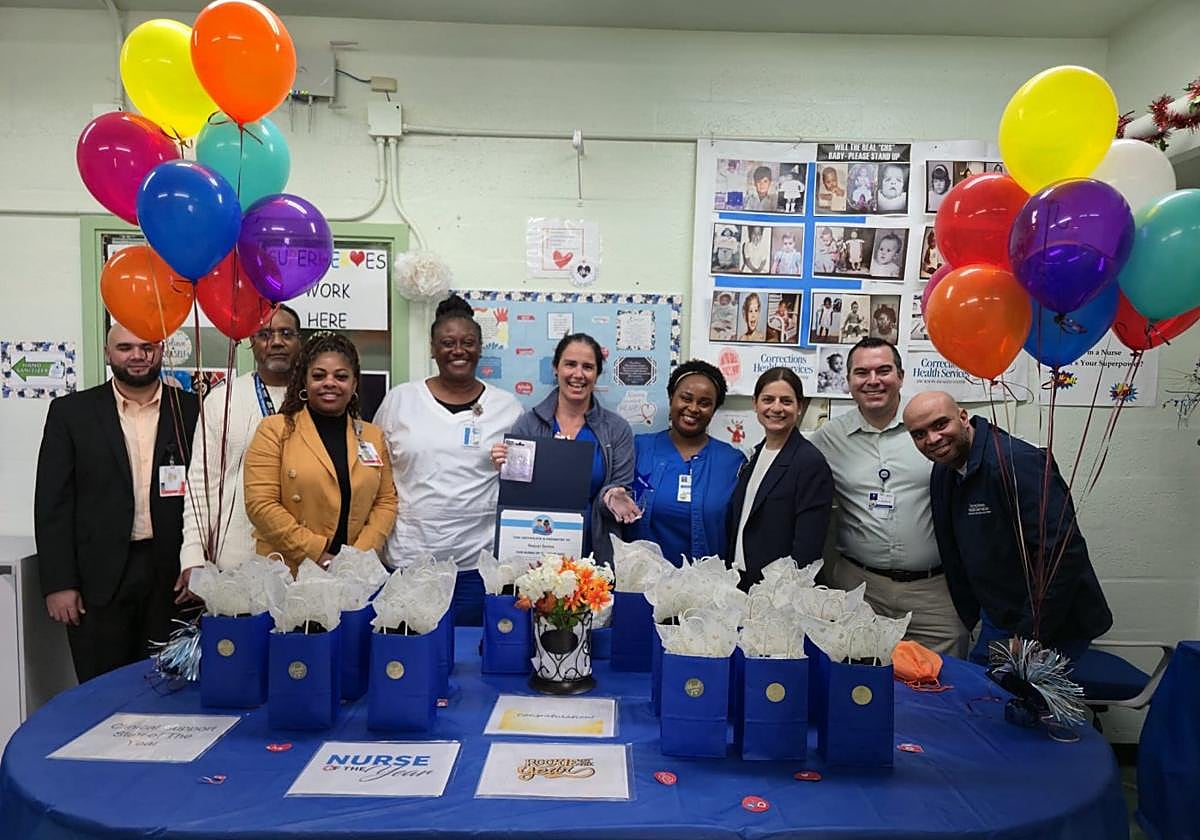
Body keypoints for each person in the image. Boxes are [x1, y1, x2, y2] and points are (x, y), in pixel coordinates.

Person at [34, 323, 200, 682]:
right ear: (108, 354)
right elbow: (53, 503)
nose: (137, 356)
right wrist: (59, 583)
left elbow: (208, 494)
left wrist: (199, 564)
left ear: (161, 351)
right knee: (101, 688)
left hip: (173, 577)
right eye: (125, 348)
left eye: (146, 346)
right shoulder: (71, 413)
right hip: (98, 579)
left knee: (171, 688)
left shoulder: (192, 410)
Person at [903, 391, 1113, 660]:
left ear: (963, 417)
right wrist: (973, 616)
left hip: (1051, 623)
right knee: (980, 692)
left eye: (940, 424)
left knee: (1020, 700)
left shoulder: (1018, 462)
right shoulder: (945, 469)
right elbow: (953, 550)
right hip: (999, 617)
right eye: (919, 434)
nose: (932, 439)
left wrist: (1029, 634)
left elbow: (1061, 555)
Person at [811, 340, 967, 656]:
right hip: (859, 591)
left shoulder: (929, 426)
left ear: (901, 376)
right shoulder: (828, 438)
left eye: (883, 370)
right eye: (861, 372)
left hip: (934, 593)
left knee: (942, 688)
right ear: (848, 381)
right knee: (860, 688)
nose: (873, 380)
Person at [374, 294, 522, 625]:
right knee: (411, 655)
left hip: (477, 565)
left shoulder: (507, 408)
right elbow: (374, 473)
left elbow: (525, 481)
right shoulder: (400, 400)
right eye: (447, 342)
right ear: (432, 348)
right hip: (410, 560)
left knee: (471, 659)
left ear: (480, 347)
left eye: (468, 342)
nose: (458, 350)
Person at [244, 332, 398, 575]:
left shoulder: (372, 436)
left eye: (341, 376)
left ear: (354, 384)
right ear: (304, 382)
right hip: (287, 572)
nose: (329, 383)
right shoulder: (275, 430)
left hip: (354, 574)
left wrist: (356, 558)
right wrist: (317, 553)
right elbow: (260, 504)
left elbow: (386, 501)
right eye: (318, 376)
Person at [177, 306, 302, 596]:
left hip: (305, 564)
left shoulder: (317, 399)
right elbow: (200, 481)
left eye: (287, 333)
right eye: (265, 334)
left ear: (300, 342)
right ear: (251, 343)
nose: (277, 342)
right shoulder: (223, 399)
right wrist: (193, 556)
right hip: (235, 562)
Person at [489, 333, 638, 567]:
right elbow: (517, 496)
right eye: (570, 364)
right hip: (538, 550)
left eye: (588, 367)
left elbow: (621, 484)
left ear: (597, 374)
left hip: (595, 553)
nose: (578, 374)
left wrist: (612, 497)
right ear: (555, 368)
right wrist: (506, 467)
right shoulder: (528, 424)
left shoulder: (617, 429)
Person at [619, 361, 745, 566]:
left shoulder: (732, 463)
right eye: (686, 398)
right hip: (641, 583)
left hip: (705, 586)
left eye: (704, 403)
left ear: (714, 409)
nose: (693, 408)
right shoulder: (638, 449)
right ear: (671, 398)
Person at [727, 367, 832, 589]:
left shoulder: (809, 462)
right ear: (755, 404)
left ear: (799, 407)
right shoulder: (754, 455)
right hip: (742, 580)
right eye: (768, 399)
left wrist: (788, 592)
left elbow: (808, 547)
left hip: (779, 590)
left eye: (786, 401)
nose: (776, 408)